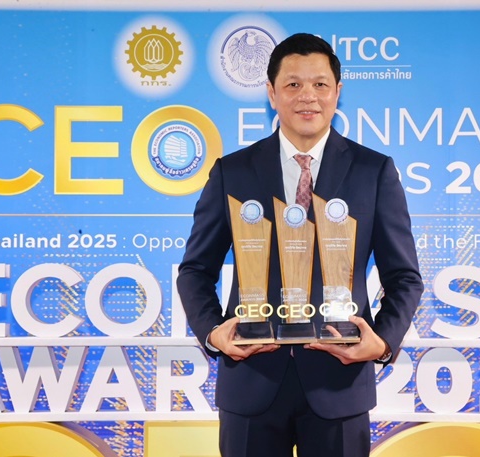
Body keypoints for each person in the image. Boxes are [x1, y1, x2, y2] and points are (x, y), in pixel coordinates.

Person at [176, 32, 423, 457]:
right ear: (271, 93)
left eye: (319, 84)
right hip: (250, 379)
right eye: (293, 84)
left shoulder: (373, 172)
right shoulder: (233, 171)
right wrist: (214, 332)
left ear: (337, 92)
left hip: (339, 381)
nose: (307, 96)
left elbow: (404, 277)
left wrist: (382, 342)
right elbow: (195, 271)